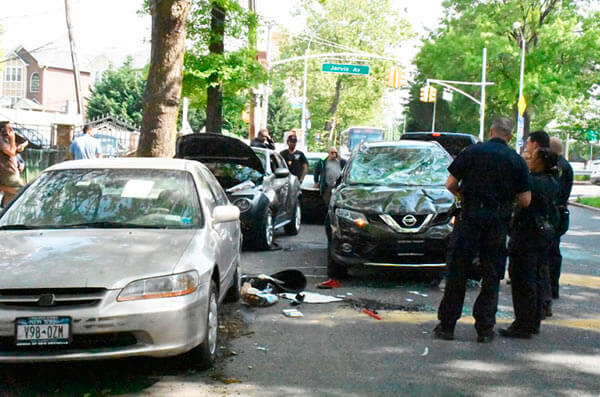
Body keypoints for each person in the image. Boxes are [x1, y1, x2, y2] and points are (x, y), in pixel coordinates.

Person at [433, 117, 531, 343]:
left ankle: (447, 326)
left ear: (490, 131)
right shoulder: (516, 161)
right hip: (497, 222)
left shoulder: (471, 152)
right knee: (491, 276)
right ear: (509, 135)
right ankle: (485, 329)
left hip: (470, 218)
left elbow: (449, 184)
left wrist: (463, 196)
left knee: (457, 272)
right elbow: (525, 199)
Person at [501, 147, 559, 338]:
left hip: (526, 235)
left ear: (540, 161)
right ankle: (533, 321)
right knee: (537, 277)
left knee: (522, 280)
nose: (529, 160)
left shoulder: (532, 181)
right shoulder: (552, 181)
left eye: (532, 157)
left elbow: (520, 200)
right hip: (543, 236)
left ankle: (523, 324)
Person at [549, 137, 574, 299]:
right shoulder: (566, 166)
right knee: (554, 250)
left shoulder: (557, 167)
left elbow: (554, 192)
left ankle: (551, 288)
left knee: (551, 252)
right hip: (561, 212)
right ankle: (553, 287)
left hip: (554, 213)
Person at [0, 121, 27, 207]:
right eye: (9, 128)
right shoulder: (1, 140)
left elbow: (25, 142)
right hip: (6, 171)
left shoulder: (6, 138)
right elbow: (11, 152)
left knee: (10, 196)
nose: (12, 131)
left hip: (12, 169)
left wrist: (20, 147)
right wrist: (12, 139)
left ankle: (4, 209)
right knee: (22, 190)